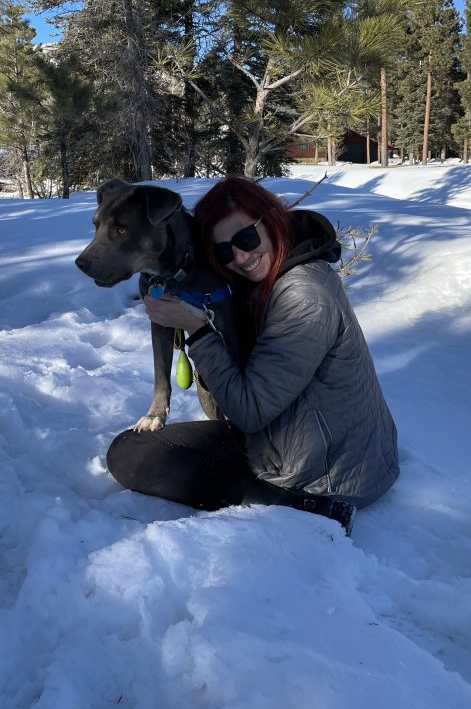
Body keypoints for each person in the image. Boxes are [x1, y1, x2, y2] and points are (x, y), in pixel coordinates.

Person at [106, 176, 399, 532]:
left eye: (246, 238)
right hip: (335, 451)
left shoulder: (303, 294)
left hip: (328, 473)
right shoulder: (274, 275)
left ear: (271, 218)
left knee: (130, 454)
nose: (241, 257)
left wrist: (197, 331)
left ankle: (303, 508)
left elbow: (250, 411)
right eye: (225, 251)